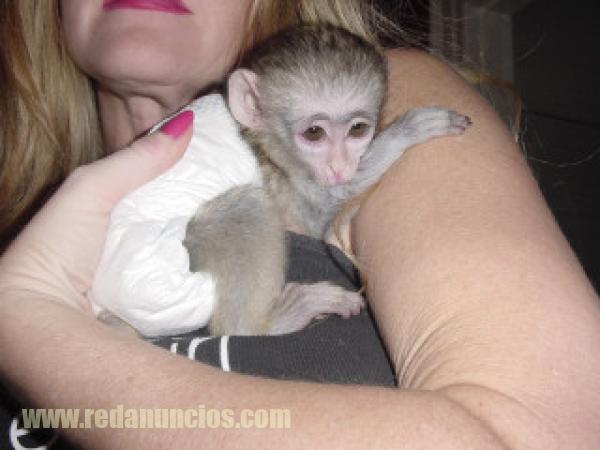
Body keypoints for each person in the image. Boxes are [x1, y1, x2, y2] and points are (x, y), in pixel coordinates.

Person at [1, 0, 599, 448]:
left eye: (359, 132)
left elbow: (540, 434)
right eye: (313, 133)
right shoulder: (25, 221)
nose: (342, 160)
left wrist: (27, 326)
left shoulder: (372, 85)